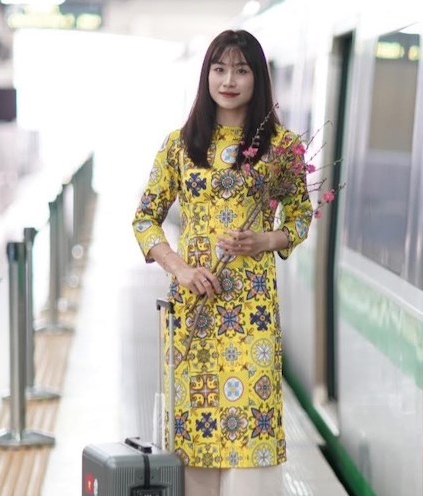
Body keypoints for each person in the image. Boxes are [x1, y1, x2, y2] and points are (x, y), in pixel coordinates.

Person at [131, 29, 313, 495]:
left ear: (258, 79)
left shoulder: (282, 146)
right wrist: (179, 268)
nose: (228, 80)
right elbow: (145, 219)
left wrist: (264, 240)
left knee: (250, 450)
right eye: (219, 68)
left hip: (252, 319)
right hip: (194, 315)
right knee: (192, 451)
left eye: (241, 69)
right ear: (206, 75)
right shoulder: (179, 145)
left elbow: (299, 217)